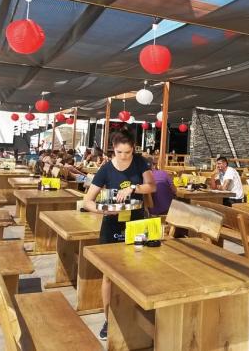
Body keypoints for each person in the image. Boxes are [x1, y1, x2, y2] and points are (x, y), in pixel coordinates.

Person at [83, 128, 156, 341]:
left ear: (133, 149)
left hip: (137, 223)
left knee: (138, 269)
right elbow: (87, 201)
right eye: (119, 152)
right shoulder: (106, 169)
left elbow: (151, 186)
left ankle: (139, 314)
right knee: (109, 274)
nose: (124, 156)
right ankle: (108, 319)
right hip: (112, 225)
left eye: (128, 152)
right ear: (113, 150)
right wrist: (103, 210)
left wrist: (133, 187)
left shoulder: (140, 163)